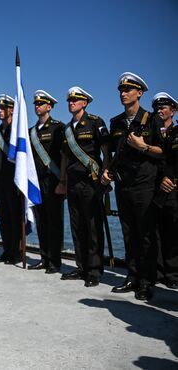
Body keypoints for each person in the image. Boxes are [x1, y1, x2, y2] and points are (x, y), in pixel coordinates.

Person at [101, 73, 164, 301]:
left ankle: (147, 282)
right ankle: (132, 276)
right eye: (121, 90)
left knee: (146, 234)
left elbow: (163, 151)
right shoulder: (116, 122)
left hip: (145, 184)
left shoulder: (152, 119)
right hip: (123, 184)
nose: (123, 93)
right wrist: (107, 170)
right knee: (129, 233)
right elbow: (114, 153)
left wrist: (143, 146)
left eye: (128, 89)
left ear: (140, 93)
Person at [56, 87, 109, 287]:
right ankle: (81, 267)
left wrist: (106, 173)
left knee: (93, 227)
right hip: (73, 182)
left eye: (75, 100)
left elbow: (106, 150)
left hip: (91, 181)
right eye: (69, 100)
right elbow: (64, 157)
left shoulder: (96, 122)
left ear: (84, 103)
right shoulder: (67, 129)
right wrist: (62, 181)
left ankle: (95, 271)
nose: (71, 102)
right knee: (77, 226)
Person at [28, 90, 65, 274]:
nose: (37, 106)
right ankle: (44, 257)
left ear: (49, 106)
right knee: (41, 221)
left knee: (54, 222)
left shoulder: (59, 128)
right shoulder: (31, 131)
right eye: (35, 104)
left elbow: (64, 156)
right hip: (37, 182)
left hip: (53, 181)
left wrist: (63, 181)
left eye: (41, 104)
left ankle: (55, 261)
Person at [0, 95, 22, 265]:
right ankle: (7, 250)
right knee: (3, 218)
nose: (0, 111)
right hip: (0, 182)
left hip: (13, 181)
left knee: (14, 217)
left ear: (11, 110)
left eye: (3, 108)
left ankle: (16, 252)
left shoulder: (18, 132)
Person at [153, 92, 178, 289]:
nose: (159, 110)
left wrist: (171, 179)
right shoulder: (152, 132)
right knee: (156, 232)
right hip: (153, 188)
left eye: (164, 107)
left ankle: (173, 275)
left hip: (172, 188)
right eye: (157, 107)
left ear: (173, 110)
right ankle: (158, 272)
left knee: (173, 232)